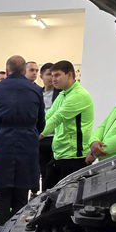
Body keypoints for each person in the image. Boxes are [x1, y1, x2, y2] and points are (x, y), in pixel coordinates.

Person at [0, 55, 45, 226]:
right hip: (27, 147)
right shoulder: (35, 90)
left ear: (6, 71)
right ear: (24, 70)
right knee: (21, 199)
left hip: (2, 146)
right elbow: (41, 122)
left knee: (2, 199)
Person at [41, 60, 94, 189]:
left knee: (67, 202)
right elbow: (48, 117)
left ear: (69, 75)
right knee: (48, 195)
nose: (53, 79)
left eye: (57, 75)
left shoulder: (79, 95)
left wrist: (35, 137)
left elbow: (56, 119)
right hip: (60, 155)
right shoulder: (62, 95)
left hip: (75, 158)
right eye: (52, 75)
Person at [38, 62, 59, 192]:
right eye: (48, 74)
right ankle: (44, 194)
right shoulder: (37, 93)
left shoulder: (60, 93)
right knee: (43, 170)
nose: (51, 77)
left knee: (54, 171)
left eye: (53, 75)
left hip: (55, 137)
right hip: (41, 138)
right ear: (41, 77)